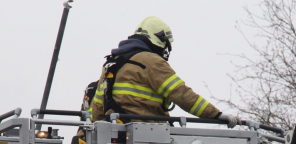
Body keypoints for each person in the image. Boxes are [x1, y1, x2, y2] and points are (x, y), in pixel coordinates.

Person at [90, 16, 239, 126]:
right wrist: (216, 114)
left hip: (113, 137)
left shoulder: (110, 64)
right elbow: (181, 94)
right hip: (147, 134)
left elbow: (96, 108)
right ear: (159, 39)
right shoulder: (151, 61)